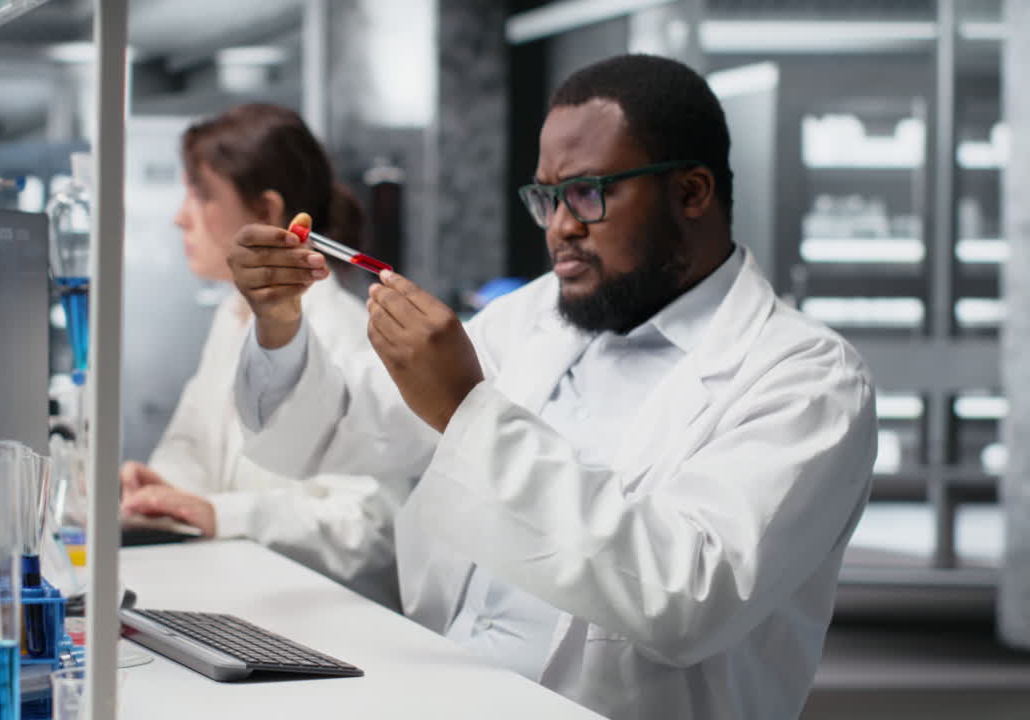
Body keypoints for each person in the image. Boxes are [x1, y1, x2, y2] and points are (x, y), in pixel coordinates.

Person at [226, 56, 877, 719]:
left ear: (692, 192)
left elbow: (687, 598)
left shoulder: (808, 379)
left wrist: (464, 409)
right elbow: (333, 428)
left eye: (588, 192)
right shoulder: (530, 317)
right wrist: (279, 325)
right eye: (546, 197)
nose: (559, 226)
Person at [119, 103, 405, 609]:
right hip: (241, 604)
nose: (179, 216)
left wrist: (218, 514)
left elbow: (367, 529)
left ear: (269, 216)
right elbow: (192, 445)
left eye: (201, 194)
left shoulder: (348, 336)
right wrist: (165, 491)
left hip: (332, 627)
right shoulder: (231, 319)